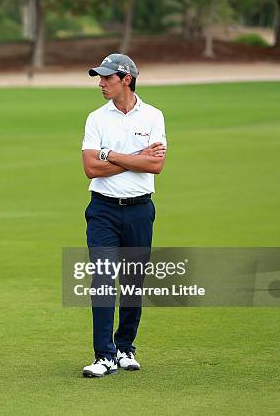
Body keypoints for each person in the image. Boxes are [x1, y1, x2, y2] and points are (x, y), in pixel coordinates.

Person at [80, 54, 167, 377]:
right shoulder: (96, 118)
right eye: (99, 79)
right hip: (102, 209)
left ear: (126, 79)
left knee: (132, 283)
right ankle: (103, 355)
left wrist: (110, 156)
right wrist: (134, 157)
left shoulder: (154, 116)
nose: (101, 84)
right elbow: (90, 168)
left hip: (140, 210)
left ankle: (125, 347)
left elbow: (155, 164)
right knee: (103, 282)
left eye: (106, 79)